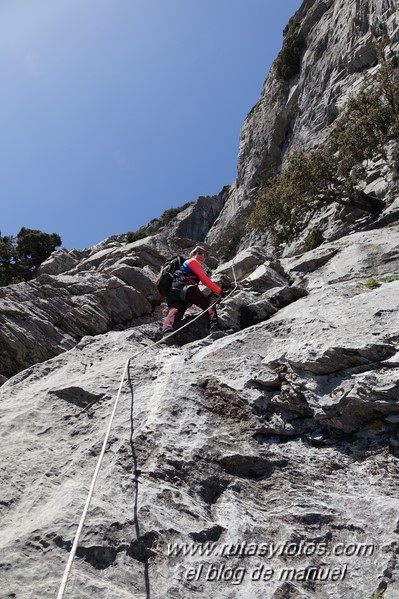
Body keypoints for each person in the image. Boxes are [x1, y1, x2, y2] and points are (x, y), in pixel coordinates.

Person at [161, 245, 225, 343]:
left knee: (175, 311)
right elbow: (205, 280)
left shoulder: (184, 266)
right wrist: (220, 292)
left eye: (204, 255)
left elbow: (195, 287)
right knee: (208, 304)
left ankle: (167, 333)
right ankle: (214, 329)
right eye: (201, 254)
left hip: (173, 291)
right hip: (185, 288)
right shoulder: (192, 262)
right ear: (194, 254)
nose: (203, 257)